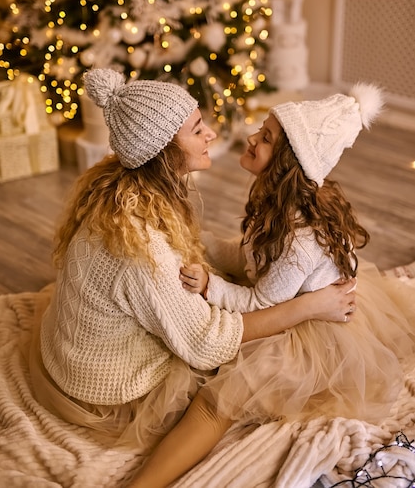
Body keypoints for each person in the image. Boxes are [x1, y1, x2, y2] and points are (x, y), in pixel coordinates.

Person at [29, 68, 356, 458]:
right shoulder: (141, 248)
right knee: (236, 383)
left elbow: (213, 255)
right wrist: (307, 306)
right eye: (197, 128)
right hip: (108, 391)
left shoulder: (127, 190)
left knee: (203, 288)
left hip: (72, 356)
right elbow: (209, 344)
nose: (212, 135)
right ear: (164, 151)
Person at [130, 83, 415, 488]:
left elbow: (261, 300)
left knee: (216, 403)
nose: (251, 138)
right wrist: (207, 244)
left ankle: (146, 483)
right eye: (261, 130)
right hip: (283, 294)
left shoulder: (299, 240)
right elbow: (251, 258)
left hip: (303, 327)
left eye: (265, 139)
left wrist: (212, 286)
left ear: (287, 163)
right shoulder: (278, 201)